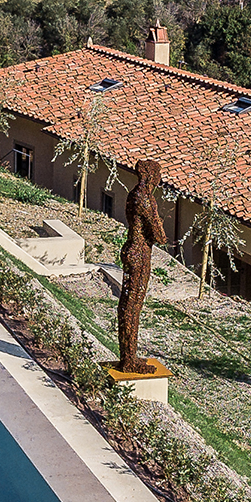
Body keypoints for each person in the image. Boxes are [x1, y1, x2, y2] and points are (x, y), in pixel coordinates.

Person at [116, 159, 166, 373]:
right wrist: (160, 223)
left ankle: (128, 355)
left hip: (132, 250)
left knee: (129, 304)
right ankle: (128, 360)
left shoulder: (134, 194)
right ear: (151, 175)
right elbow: (160, 235)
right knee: (133, 306)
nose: (159, 178)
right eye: (158, 173)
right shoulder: (145, 198)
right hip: (139, 254)